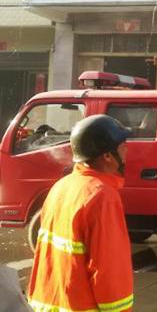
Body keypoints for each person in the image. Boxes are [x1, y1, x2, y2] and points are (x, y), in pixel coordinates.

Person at [28, 115, 134, 312]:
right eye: (122, 145)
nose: (126, 149)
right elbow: (109, 270)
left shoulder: (61, 186)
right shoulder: (102, 197)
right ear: (107, 156)